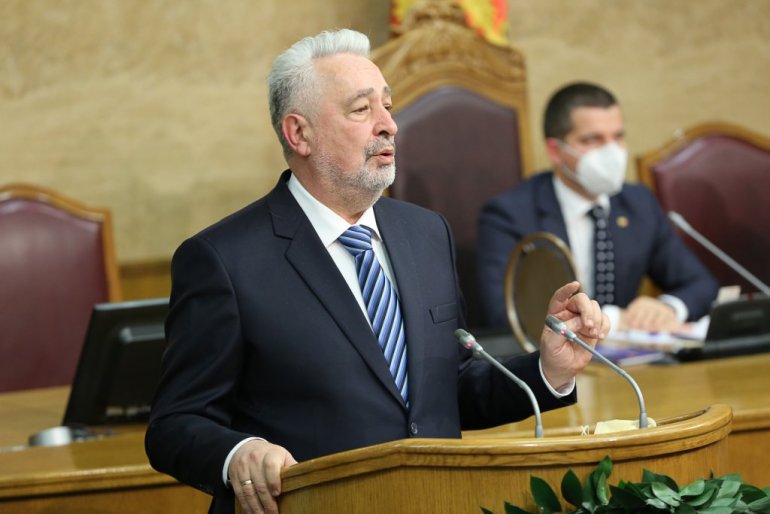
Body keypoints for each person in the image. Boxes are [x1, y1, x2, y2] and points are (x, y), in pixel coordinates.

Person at [145, 30, 609, 514]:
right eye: (361, 110)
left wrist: (548, 369)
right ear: (299, 134)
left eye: (387, 106)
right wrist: (237, 453)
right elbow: (174, 424)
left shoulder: (426, 232)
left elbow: (446, 388)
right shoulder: (223, 259)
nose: (389, 125)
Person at [477, 82, 718, 332]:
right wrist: (608, 319)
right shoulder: (509, 215)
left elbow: (701, 284)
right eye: (592, 139)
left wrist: (668, 308)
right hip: (554, 353)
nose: (611, 151)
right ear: (555, 151)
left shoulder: (638, 203)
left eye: (618, 137)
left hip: (631, 354)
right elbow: (504, 314)